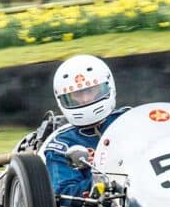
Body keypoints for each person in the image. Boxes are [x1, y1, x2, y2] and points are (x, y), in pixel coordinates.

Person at [42, 55, 130, 198]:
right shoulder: (62, 144)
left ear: (108, 87)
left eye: (90, 91)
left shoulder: (129, 119)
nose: (85, 99)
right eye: (77, 94)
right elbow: (64, 195)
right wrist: (102, 183)